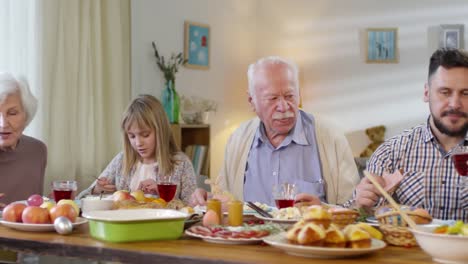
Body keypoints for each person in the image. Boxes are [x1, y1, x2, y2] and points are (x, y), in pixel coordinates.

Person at [191, 56, 360, 207]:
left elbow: (356, 209)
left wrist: (324, 210)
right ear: (252, 101)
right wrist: (210, 200)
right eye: (272, 99)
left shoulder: (330, 137)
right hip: (249, 239)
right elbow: (226, 201)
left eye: (289, 96)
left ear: (299, 95)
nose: (283, 107)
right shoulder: (238, 139)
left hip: (307, 239)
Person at [355, 48, 468, 221]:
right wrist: (361, 204)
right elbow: (362, 218)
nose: (455, 104)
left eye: (465, 93)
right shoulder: (390, 153)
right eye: (445, 92)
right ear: (426, 93)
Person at [78, 95, 200, 205]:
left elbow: (195, 210)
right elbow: (79, 200)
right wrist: (97, 190)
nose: (138, 143)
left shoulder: (180, 164)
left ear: (161, 131)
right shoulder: (122, 160)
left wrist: (163, 193)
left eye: (145, 135)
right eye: (132, 136)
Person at [0, 73, 47, 206]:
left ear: (26, 115)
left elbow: (35, 208)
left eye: (12, 113)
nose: (3, 124)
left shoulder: (37, 150)